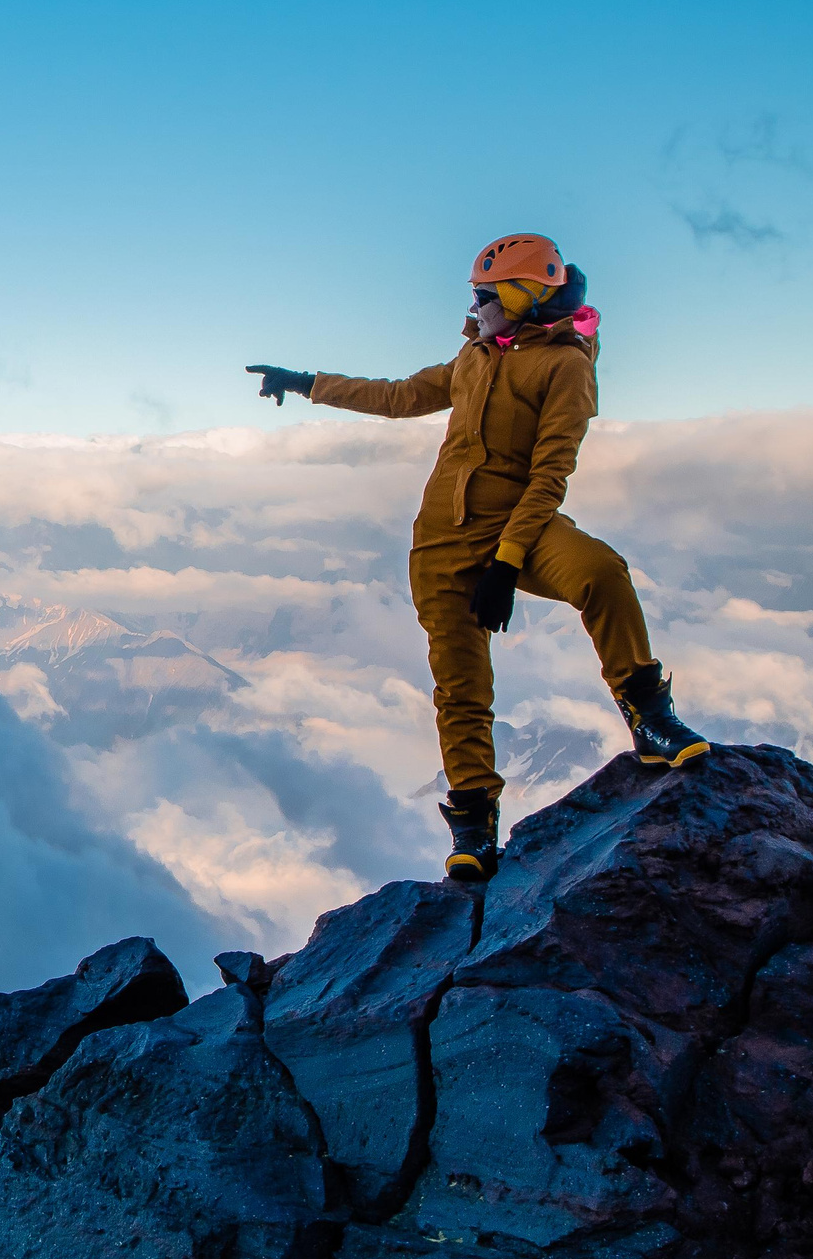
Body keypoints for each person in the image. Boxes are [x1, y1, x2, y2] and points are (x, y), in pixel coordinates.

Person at [245, 233, 707, 883]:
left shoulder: (566, 366)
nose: (476, 305)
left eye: (487, 294)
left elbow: (551, 473)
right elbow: (400, 395)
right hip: (441, 540)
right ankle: (473, 826)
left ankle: (650, 717)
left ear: (523, 295)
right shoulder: (476, 355)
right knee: (460, 684)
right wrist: (307, 383)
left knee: (601, 571)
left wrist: (507, 562)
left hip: (521, 525)